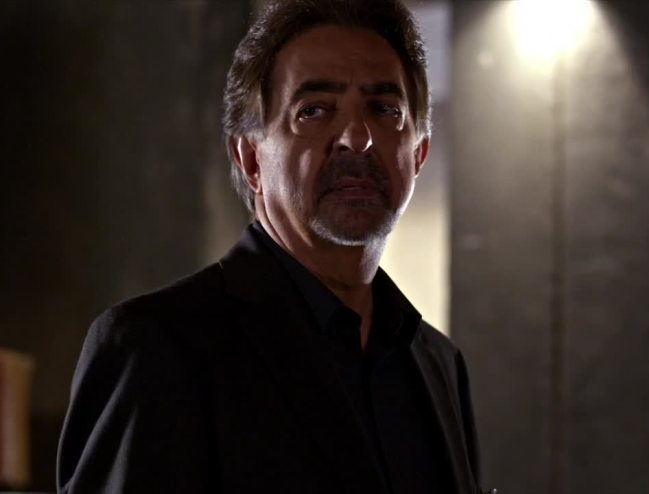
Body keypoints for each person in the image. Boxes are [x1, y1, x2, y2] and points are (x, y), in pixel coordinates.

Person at [57, 0, 485, 492]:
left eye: (384, 110)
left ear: (419, 153)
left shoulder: (439, 365)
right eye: (314, 110)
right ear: (251, 159)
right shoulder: (157, 349)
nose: (357, 138)